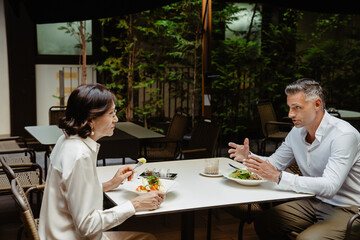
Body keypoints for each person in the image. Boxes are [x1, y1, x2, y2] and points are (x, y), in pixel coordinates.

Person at [228, 78, 360, 239]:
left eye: (297, 108)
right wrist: (248, 157)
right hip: (314, 201)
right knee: (265, 222)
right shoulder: (297, 132)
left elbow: (330, 186)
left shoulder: (344, 135)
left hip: (348, 208)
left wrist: (279, 177)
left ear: (317, 104)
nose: (291, 114)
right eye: (290, 108)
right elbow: (275, 163)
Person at [39, 83, 165, 240]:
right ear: (91, 119)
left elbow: (71, 191)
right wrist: (135, 204)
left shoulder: (66, 140)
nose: (116, 119)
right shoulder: (81, 154)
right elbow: (87, 226)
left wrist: (110, 184)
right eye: (111, 114)